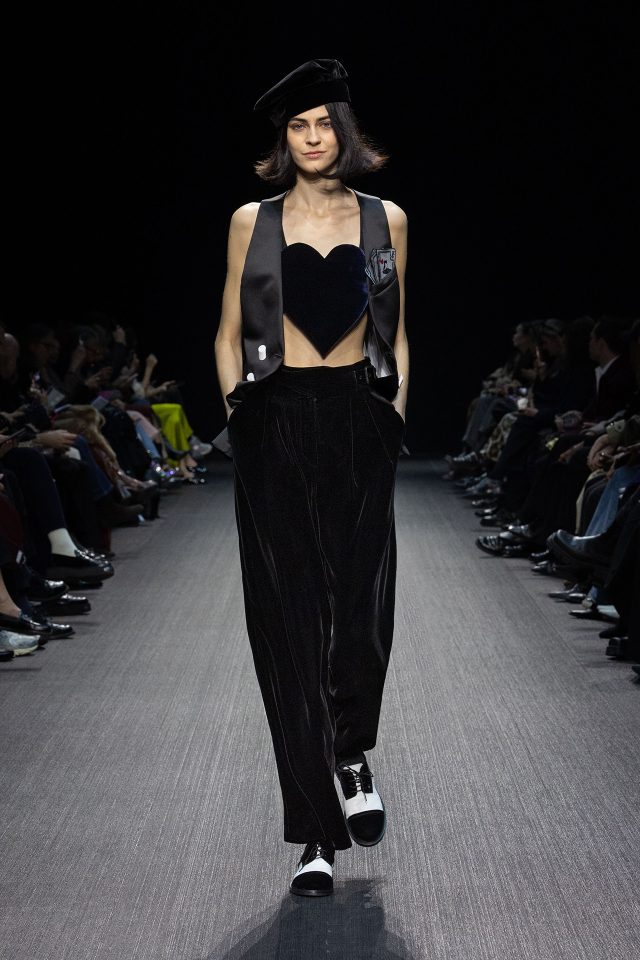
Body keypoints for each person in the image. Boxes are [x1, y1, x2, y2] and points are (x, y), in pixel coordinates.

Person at [213, 59, 409, 898]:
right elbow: (227, 330)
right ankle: (315, 833)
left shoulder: (385, 219)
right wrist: (240, 417)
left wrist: (394, 418)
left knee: (360, 609)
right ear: (283, 139)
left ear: (346, 131)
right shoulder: (249, 221)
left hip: (360, 417)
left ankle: (351, 751)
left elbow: (398, 329)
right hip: (276, 417)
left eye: (325, 123)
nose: (313, 138)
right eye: (298, 126)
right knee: (287, 625)